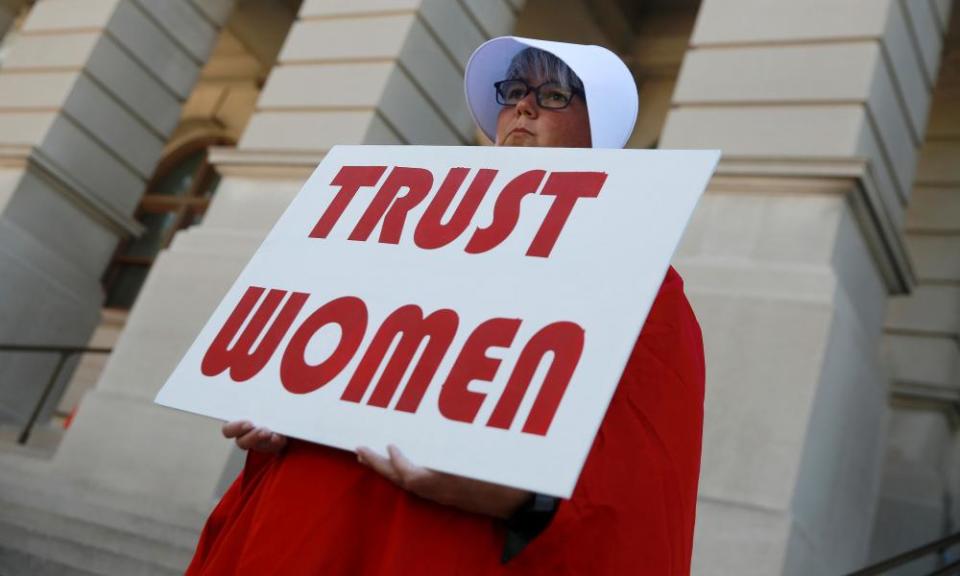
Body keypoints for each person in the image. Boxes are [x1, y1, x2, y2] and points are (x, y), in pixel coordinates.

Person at [186, 36, 704, 575]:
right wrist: (281, 414)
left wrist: (523, 498)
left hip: (437, 545)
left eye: (554, 94)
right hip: (296, 528)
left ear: (601, 131)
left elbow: (645, 479)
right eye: (514, 91)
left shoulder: (644, 281)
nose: (522, 107)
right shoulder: (400, 231)